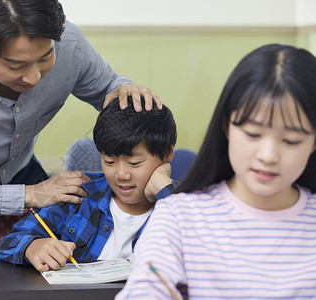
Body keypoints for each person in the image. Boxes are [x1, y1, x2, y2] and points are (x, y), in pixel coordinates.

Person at [0, 0, 161, 299]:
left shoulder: (69, 44)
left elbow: (113, 91)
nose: (34, 77)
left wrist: (133, 98)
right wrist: (32, 194)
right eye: (15, 65)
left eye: (45, 58)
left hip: (24, 176)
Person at [117, 44, 316, 299]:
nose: (268, 156)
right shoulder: (179, 218)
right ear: (226, 126)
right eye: (253, 134)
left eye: (290, 140)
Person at [0, 97, 177, 271]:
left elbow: (203, 253)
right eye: (109, 162)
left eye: (134, 163)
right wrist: (32, 247)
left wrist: (165, 190)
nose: (121, 175)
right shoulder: (78, 194)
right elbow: (7, 245)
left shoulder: (185, 205)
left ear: (167, 153)